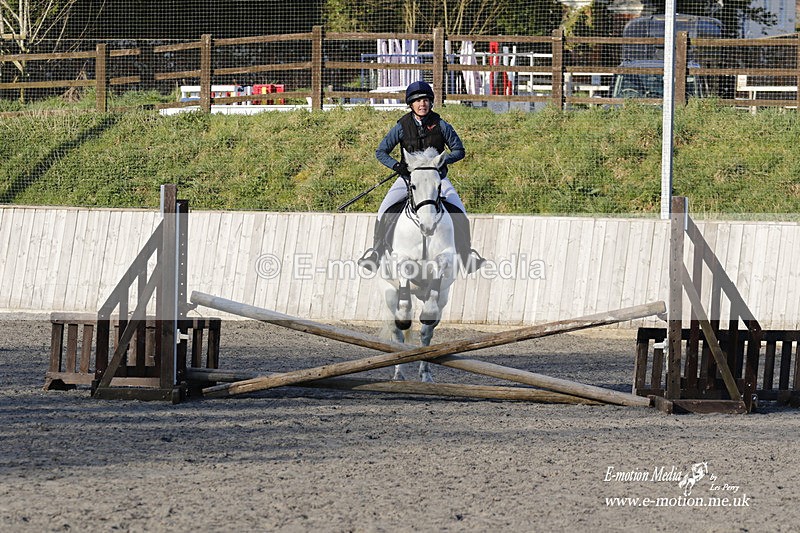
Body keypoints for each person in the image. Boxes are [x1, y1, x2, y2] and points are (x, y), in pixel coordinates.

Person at [357, 80, 485, 274]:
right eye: (417, 101)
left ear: (430, 102)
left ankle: (467, 256)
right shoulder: (402, 126)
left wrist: (440, 162)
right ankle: (376, 253)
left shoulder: (441, 125)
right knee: (384, 209)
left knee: (460, 211)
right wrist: (397, 166)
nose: (422, 104)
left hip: (436, 179)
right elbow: (381, 151)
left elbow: (459, 150)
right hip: (408, 179)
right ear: (411, 104)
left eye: (425, 100)